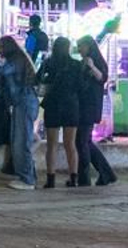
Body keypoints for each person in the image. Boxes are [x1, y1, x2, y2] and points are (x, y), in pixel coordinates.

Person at [0, 35, 40, 190]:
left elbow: (4, 71)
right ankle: (27, 175)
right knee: (18, 140)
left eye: (0, 46)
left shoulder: (16, 61)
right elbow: (6, 90)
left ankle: (27, 179)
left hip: (24, 104)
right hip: (21, 104)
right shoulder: (19, 60)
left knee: (21, 141)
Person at [36, 37, 82, 188]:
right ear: (68, 48)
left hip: (53, 105)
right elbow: (82, 86)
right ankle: (73, 178)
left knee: (52, 144)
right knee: (70, 144)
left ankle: (51, 179)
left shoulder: (48, 63)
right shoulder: (76, 65)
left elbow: (38, 80)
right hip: (71, 106)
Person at [75, 35, 116, 187]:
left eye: (81, 46)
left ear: (89, 46)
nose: (79, 50)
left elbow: (102, 78)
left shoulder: (96, 62)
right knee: (83, 141)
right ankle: (106, 173)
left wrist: (92, 66)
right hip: (83, 106)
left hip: (89, 107)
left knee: (82, 142)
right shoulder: (83, 62)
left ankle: (85, 178)